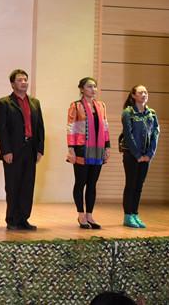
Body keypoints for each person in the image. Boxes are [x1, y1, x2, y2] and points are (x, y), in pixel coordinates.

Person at [0, 69, 45, 231]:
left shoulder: (35, 102)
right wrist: (6, 151)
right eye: (19, 80)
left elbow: (40, 127)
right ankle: (12, 219)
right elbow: (1, 129)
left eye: (25, 80)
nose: (23, 82)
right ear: (12, 84)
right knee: (13, 185)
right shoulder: (4, 103)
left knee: (27, 185)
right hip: (13, 151)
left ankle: (23, 219)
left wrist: (40, 149)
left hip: (30, 149)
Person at [66, 76, 110, 230]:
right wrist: (71, 148)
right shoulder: (75, 105)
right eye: (89, 86)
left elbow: (105, 126)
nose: (93, 89)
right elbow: (71, 127)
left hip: (98, 149)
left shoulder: (101, 105)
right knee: (81, 182)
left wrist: (107, 146)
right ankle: (81, 214)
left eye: (94, 86)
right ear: (82, 89)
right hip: (81, 148)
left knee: (92, 183)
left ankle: (90, 215)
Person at [120, 84, 160, 229]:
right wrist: (137, 155)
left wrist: (149, 154)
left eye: (146, 92)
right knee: (131, 184)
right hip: (131, 154)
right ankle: (128, 215)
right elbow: (128, 135)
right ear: (133, 95)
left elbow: (155, 133)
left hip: (145, 156)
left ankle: (135, 213)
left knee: (139, 186)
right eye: (141, 92)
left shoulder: (151, 113)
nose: (144, 95)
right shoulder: (128, 112)